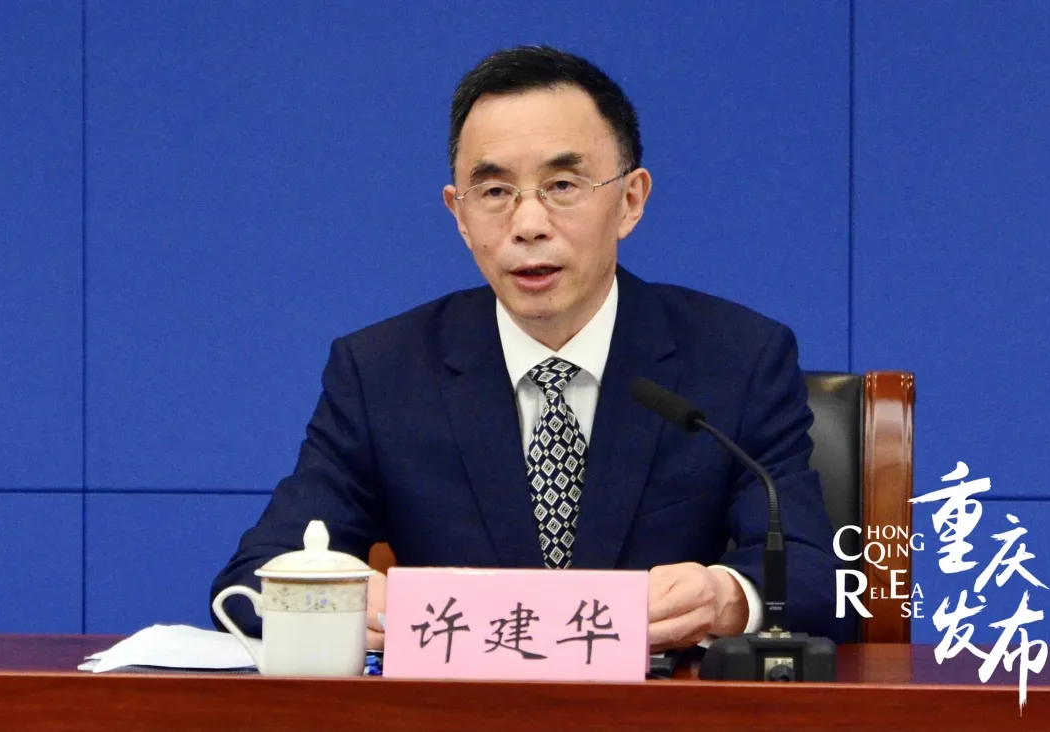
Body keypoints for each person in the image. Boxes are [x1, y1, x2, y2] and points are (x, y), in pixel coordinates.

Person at [210, 45, 848, 651]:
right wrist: (339, 601)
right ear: (459, 216)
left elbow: (816, 577)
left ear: (630, 201)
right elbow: (249, 582)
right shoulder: (382, 374)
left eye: (562, 185)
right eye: (494, 192)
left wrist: (727, 598)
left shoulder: (738, 359)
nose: (528, 224)